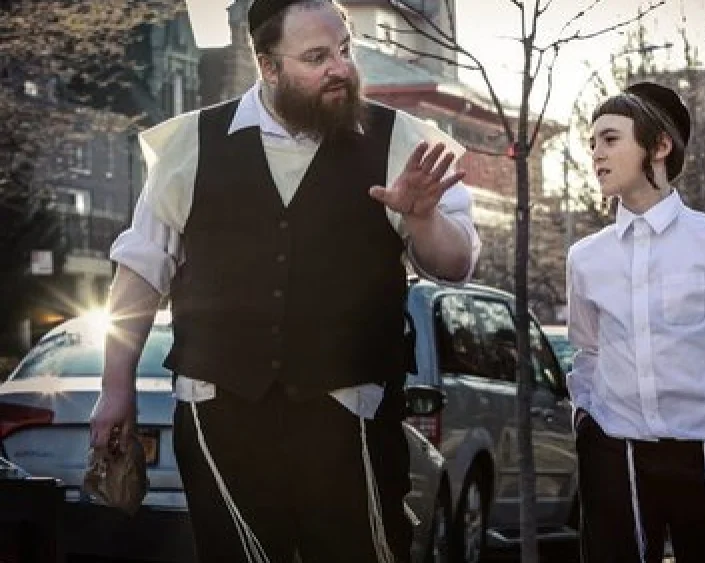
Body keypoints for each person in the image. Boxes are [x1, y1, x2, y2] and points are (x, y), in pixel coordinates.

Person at [89, 1, 480, 561]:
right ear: (268, 67)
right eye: (316, 58)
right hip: (219, 412)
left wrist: (423, 219)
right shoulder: (191, 144)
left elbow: (457, 262)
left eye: (344, 50)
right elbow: (141, 271)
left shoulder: (406, 142)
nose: (340, 68)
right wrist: (115, 389)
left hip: (352, 415)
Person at [566, 81, 705, 563]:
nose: (596, 153)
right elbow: (588, 351)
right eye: (592, 142)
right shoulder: (585, 257)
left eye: (611, 139)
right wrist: (586, 423)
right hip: (615, 452)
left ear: (659, 146)